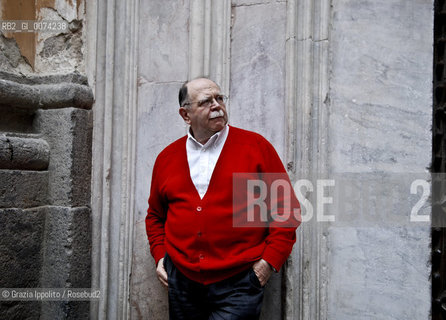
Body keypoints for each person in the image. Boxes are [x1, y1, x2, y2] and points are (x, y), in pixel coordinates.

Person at [146, 77, 300, 319]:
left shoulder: (256, 147)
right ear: (186, 115)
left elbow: (286, 209)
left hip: (239, 283)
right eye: (206, 101)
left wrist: (267, 263)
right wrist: (160, 255)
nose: (217, 105)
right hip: (182, 283)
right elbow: (155, 215)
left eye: (219, 98)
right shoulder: (166, 158)